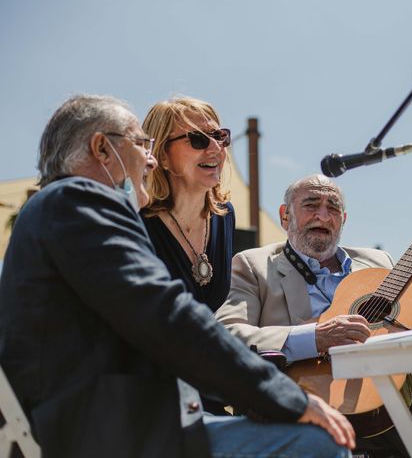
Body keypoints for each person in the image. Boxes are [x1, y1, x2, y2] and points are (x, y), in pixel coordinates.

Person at [0, 96, 354, 458]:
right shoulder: (78, 201)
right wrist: (285, 399)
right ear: (102, 148)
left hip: (125, 419)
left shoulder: (58, 209)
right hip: (102, 434)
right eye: (142, 145)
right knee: (320, 444)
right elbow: (166, 317)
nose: (150, 160)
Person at [215, 173, 412, 457]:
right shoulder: (253, 265)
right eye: (311, 204)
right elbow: (227, 335)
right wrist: (316, 337)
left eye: (332, 207)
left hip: (386, 406)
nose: (323, 215)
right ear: (285, 216)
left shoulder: (377, 262)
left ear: (343, 219)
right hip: (301, 405)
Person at [141, 97, 234, 314]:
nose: (215, 148)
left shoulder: (225, 215)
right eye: (198, 139)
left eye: (219, 136)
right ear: (162, 155)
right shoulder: (136, 220)